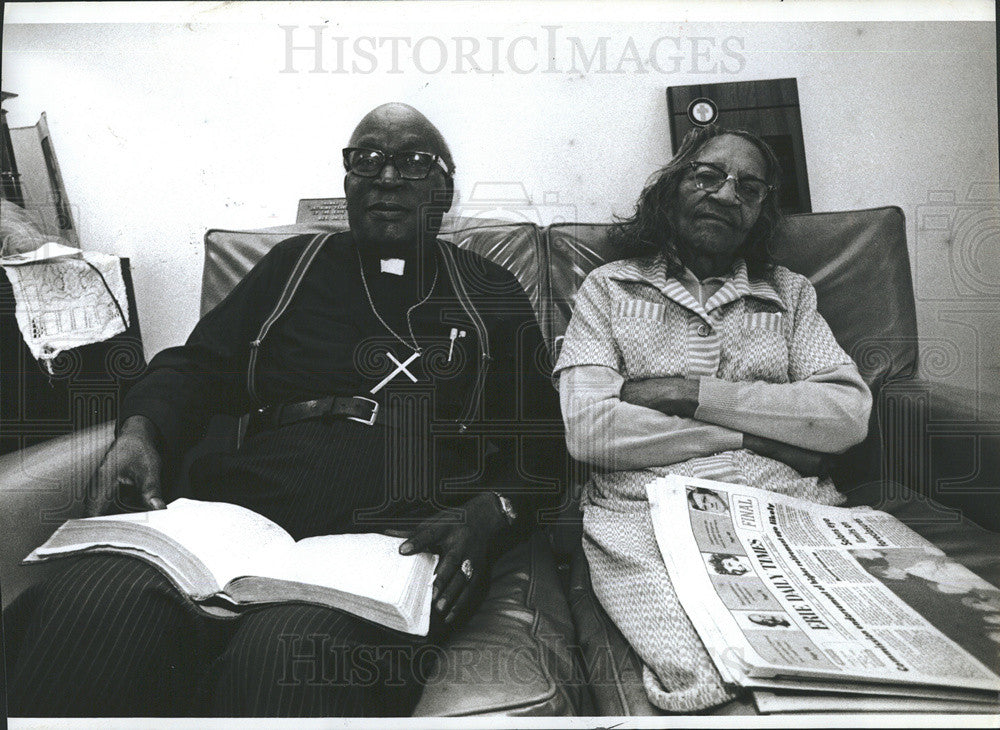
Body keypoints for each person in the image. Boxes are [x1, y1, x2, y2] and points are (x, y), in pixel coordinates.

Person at [9, 103, 563, 718]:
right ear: (348, 180)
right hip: (241, 518)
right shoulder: (293, 266)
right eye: (366, 159)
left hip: (387, 539)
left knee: (290, 653)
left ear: (445, 186)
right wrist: (140, 431)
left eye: (412, 162)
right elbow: (196, 367)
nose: (386, 177)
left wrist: (490, 514)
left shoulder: (489, 291)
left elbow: (541, 449)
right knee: (95, 600)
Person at [554, 124, 872, 712]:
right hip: (647, 514)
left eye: (748, 188)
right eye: (708, 176)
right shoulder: (608, 287)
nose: (727, 195)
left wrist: (685, 391)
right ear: (673, 187)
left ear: (760, 213)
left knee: (864, 658)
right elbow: (590, 428)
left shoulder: (789, 294)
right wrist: (752, 433)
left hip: (786, 507)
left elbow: (845, 415)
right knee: (708, 678)